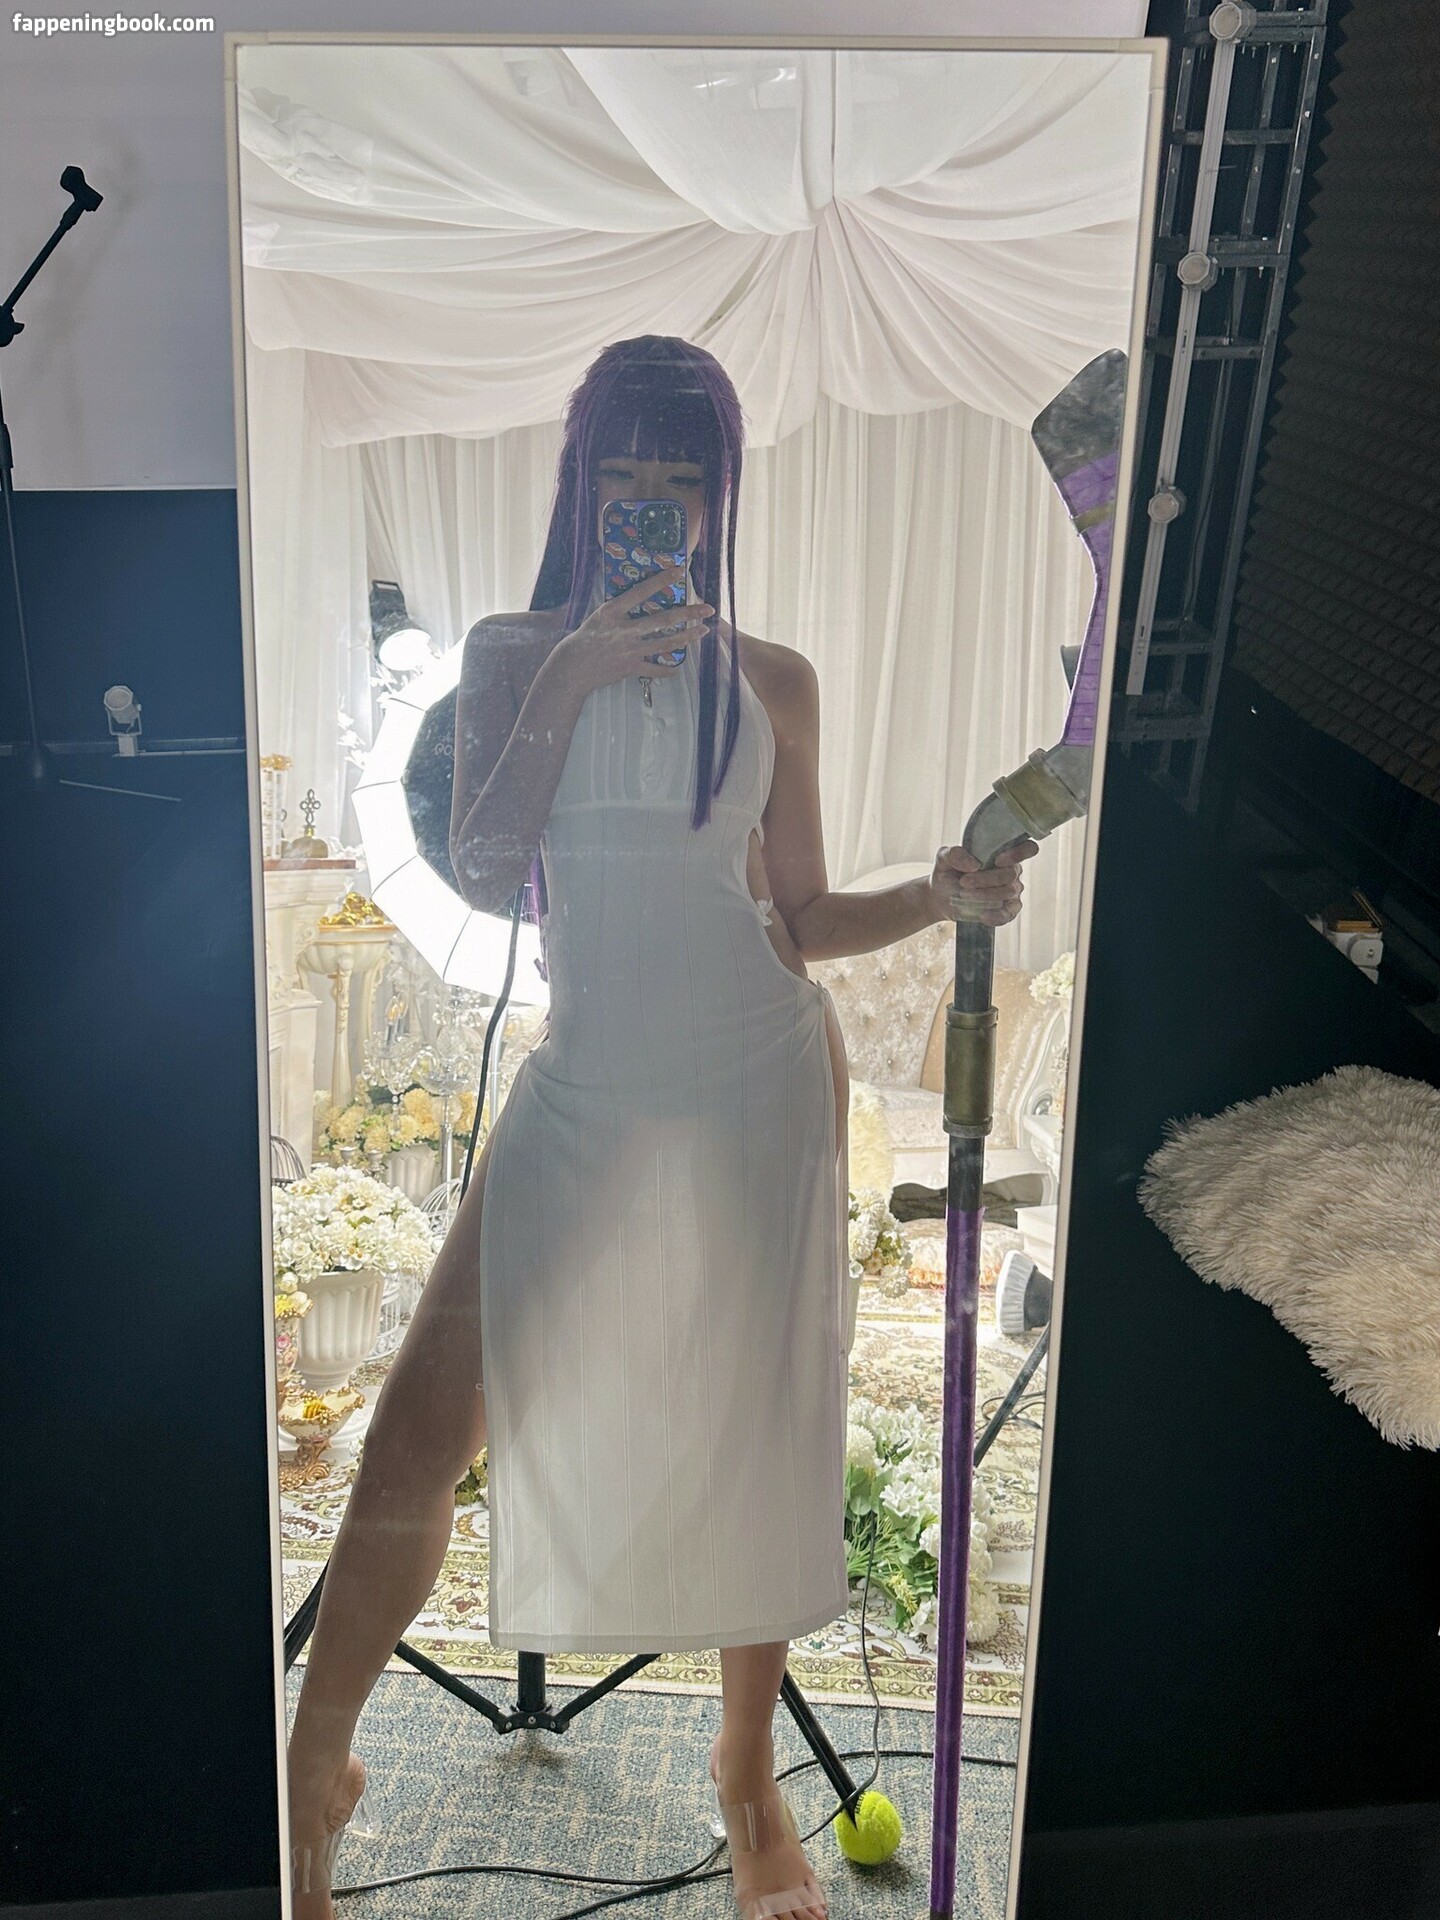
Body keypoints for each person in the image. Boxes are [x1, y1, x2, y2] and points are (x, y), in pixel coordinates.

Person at [285, 336, 1036, 1920]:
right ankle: (311, 1769)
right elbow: (485, 866)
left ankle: (747, 1777)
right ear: (579, 487)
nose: (650, 504)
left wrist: (937, 892)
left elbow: (802, 919)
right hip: (590, 1079)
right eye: (621, 474)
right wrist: (571, 672)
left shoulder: (776, 683)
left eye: (678, 479)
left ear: (716, 496)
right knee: (421, 1422)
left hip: (760, 1076)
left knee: (760, 1429)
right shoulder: (511, 653)